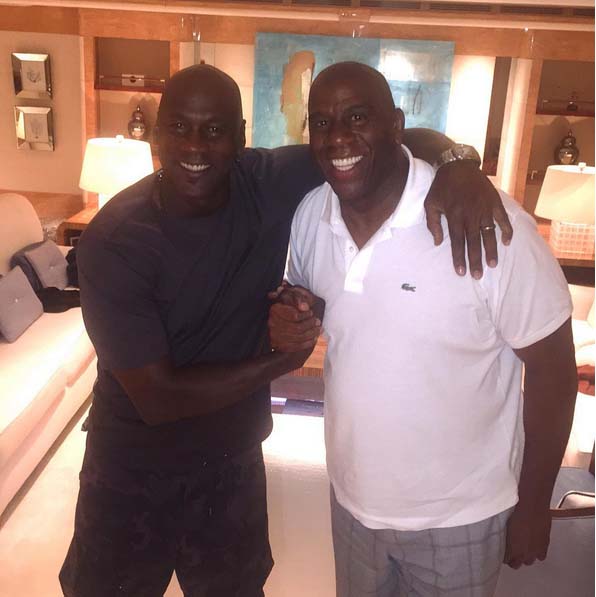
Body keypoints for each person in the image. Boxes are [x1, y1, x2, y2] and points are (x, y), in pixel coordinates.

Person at [59, 64, 512, 597]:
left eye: (214, 130)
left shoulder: (265, 181)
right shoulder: (116, 241)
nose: (195, 146)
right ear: (157, 135)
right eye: (179, 127)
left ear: (241, 136)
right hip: (131, 466)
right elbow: (158, 398)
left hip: (230, 460)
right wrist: (281, 360)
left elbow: (393, 139)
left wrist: (458, 165)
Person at [269, 62, 578, 597]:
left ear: (396, 125)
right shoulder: (311, 215)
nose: (338, 136)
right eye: (322, 122)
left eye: (358, 117)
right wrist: (292, 314)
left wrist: (534, 503)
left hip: (460, 519)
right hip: (354, 506)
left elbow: (554, 370)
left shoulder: (484, 224)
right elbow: (310, 304)